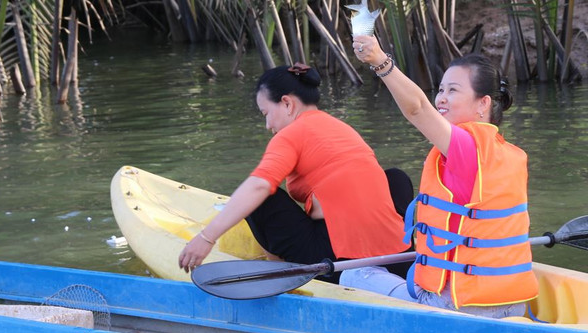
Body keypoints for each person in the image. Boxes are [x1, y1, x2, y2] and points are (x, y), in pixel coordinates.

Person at [347, 38, 538, 318]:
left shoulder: (465, 147)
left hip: (460, 308)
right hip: (513, 305)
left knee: (353, 276)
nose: (441, 99)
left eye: (453, 90)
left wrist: (380, 61)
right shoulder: (507, 153)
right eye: (440, 90)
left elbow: (417, 109)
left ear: (483, 103)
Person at [178, 63, 413, 281]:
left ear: (287, 103)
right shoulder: (342, 128)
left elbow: (259, 186)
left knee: (261, 200)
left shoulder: (290, 135)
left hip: (337, 263)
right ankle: (411, 246)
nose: (267, 125)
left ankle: (279, 272)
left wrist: (206, 238)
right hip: (399, 257)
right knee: (394, 177)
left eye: (266, 114)